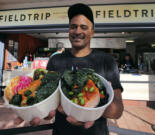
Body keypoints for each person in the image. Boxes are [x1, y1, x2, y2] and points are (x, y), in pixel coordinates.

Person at [30, 3, 124, 135]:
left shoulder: (107, 61)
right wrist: (43, 111)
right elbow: (49, 102)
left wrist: (91, 109)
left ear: (92, 32)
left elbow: (118, 110)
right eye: (73, 27)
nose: (78, 31)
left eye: (83, 27)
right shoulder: (55, 61)